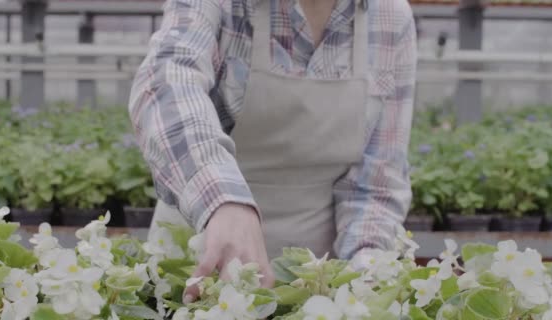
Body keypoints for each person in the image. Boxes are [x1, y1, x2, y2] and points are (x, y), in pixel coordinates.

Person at [129, 0, 416, 303]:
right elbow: (166, 86)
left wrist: (364, 275)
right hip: (197, 270)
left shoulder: (389, 16)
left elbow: (374, 186)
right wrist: (222, 201)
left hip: (312, 286)